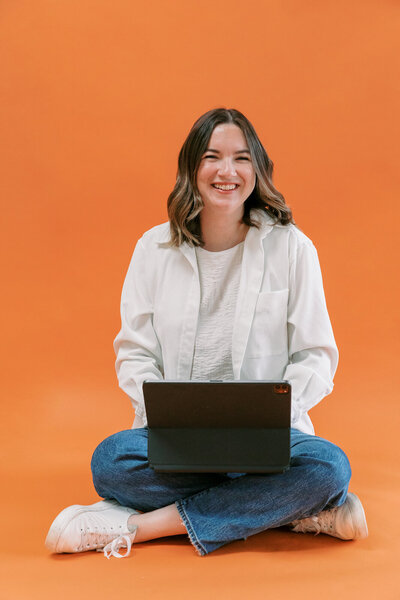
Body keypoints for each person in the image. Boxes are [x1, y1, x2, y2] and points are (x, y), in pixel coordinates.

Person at [45, 107, 368, 559]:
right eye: (212, 156)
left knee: (329, 466)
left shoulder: (293, 247)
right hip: (180, 436)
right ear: (192, 168)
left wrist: (275, 409)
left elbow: (317, 355)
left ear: (256, 168)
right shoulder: (152, 249)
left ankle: (141, 527)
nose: (226, 171)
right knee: (112, 460)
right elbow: (134, 353)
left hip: (269, 436)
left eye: (241, 158)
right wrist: (161, 409)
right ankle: (289, 507)